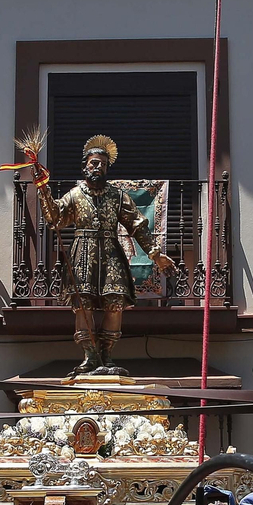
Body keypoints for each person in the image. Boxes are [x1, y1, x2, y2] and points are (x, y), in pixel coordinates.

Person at [31, 134, 175, 376]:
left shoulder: (117, 196)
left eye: (103, 164)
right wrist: (43, 188)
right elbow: (55, 218)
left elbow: (137, 225)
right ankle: (89, 356)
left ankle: (106, 356)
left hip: (110, 253)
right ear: (84, 166)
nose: (98, 167)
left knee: (115, 302)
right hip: (83, 254)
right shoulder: (75, 195)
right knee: (83, 304)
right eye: (93, 163)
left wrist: (155, 253)